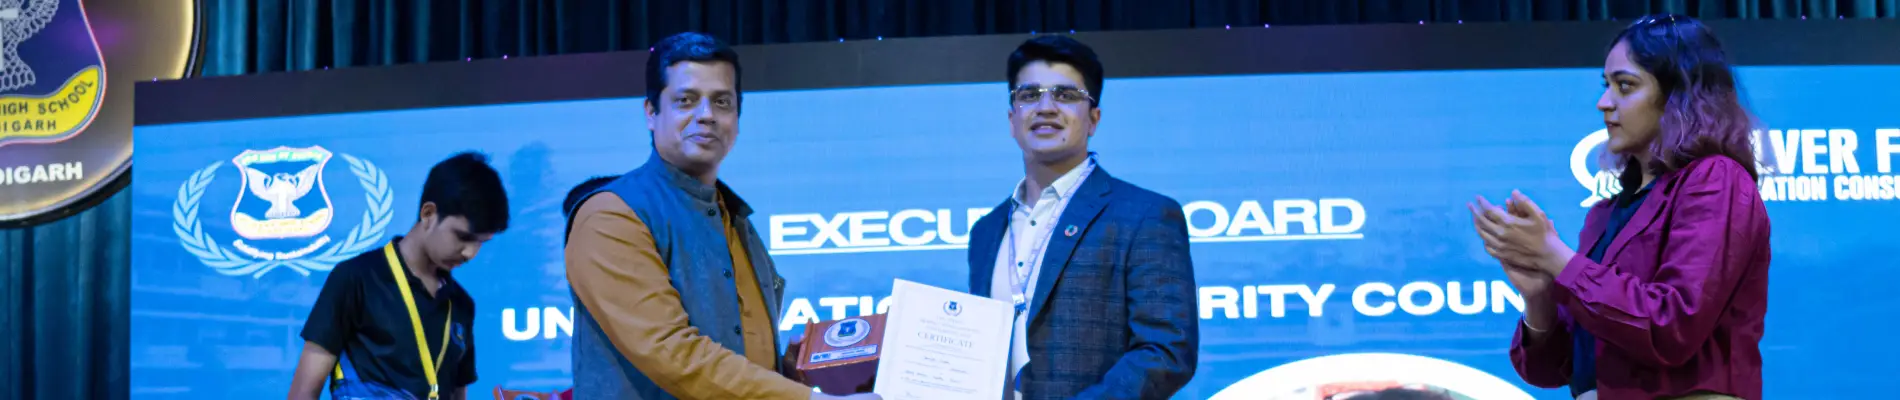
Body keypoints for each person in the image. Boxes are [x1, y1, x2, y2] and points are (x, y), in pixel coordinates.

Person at [1468, 14, 1770, 400]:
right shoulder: (1603, 214)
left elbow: (1672, 328)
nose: (1603, 103)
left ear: (1678, 95)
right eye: (1606, 86)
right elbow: (1548, 370)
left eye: (1624, 86)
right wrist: (1540, 297)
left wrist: (1556, 258)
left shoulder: (1716, 179)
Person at [562, 32, 877, 400]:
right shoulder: (610, 215)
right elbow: (673, 353)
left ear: (737, 118)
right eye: (686, 100)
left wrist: (786, 370)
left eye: (722, 101)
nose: (706, 115)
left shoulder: (734, 216)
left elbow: (732, 358)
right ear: (651, 112)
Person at [965, 35, 1199, 400]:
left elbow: (1166, 352)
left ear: (1093, 119)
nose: (1045, 107)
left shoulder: (1145, 215)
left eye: (1065, 95)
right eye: (1029, 95)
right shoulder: (986, 231)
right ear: (1012, 119)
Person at [289, 152, 512, 400]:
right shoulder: (355, 279)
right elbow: (302, 394)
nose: (470, 253)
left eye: (481, 242)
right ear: (428, 214)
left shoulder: (461, 304)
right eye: (463, 237)